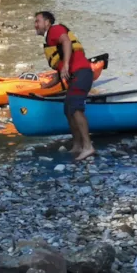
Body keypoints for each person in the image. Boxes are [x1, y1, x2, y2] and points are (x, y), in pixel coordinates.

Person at [34, 11, 96, 161]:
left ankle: (88, 147)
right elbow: (59, 71)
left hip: (82, 74)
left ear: (47, 22)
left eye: (37, 21)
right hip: (76, 76)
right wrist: (46, 86)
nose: (35, 25)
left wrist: (67, 65)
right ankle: (77, 145)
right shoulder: (51, 41)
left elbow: (67, 42)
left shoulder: (55, 30)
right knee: (68, 109)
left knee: (75, 107)